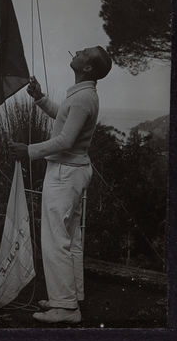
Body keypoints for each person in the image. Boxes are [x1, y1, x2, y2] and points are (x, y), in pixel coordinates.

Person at [9, 46, 112, 324]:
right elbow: (66, 122)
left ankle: (65, 308)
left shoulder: (82, 99)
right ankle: (71, 296)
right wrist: (41, 98)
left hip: (65, 173)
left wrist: (28, 150)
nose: (77, 51)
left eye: (84, 52)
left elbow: (65, 141)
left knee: (55, 239)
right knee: (70, 237)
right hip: (73, 171)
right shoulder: (83, 95)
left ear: (88, 68)